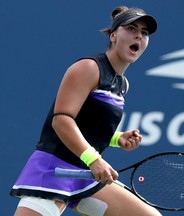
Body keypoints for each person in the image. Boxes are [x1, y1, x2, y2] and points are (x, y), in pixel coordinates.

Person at [10, 5, 161, 216]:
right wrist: (94, 159)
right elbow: (62, 120)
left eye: (144, 33)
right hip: (54, 170)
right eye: (132, 29)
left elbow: (87, 127)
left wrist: (117, 139)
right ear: (114, 35)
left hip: (84, 177)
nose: (139, 36)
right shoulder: (89, 68)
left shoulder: (122, 84)